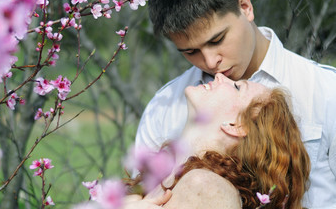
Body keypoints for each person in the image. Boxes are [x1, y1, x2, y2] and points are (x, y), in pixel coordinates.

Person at [135, 0, 336, 208]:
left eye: (217, 40)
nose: (210, 62)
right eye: (191, 52)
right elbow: (140, 188)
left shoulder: (325, 90)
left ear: (245, 7)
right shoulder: (164, 106)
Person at [126, 73, 310, 208]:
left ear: (237, 125)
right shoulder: (168, 178)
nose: (220, 75)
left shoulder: (206, 187)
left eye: (237, 87)